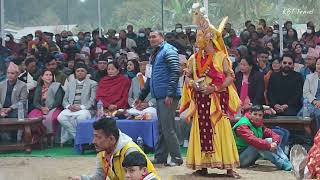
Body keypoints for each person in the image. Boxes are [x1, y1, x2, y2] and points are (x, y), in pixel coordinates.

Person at [179, 3, 240, 177]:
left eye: (202, 35)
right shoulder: (193, 58)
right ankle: (203, 166)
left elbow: (230, 77)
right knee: (201, 128)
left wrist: (214, 87)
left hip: (217, 101)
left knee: (221, 128)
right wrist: (193, 85)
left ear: (210, 37)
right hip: (200, 99)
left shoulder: (222, 57)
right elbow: (188, 77)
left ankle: (229, 167)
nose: (199, 39)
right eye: (198, 35)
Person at [137, 31, 183, 167]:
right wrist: (141, 97)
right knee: (162, 127)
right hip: (160, 95)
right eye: (150, 37)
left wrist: (170, 94)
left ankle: (177, 158)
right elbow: (150, 79)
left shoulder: (168, 50)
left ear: (161, 37)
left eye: (154, 36)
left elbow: (176, 71)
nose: (151, 39)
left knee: (168, 127)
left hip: (168, 96)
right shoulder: (154, 54)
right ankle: (160, 157)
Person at [70, 118, 158, 180]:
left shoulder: (130, 151)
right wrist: (82, 179)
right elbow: (99, 177)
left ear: (111, 139)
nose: (93, 141)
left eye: (98, 137)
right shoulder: (103, 152)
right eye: (94, 136)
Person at [233, 105, 292, 171]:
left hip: (250, 156)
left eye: (260, 115)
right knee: (258, 145)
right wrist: (269, 146)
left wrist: (274, 143)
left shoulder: (258, 124)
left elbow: (273, 134)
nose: (257, 117)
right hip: (239, 159)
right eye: (255, 114)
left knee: (270, 140)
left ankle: (286, 160)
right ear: (250, 113)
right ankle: (282, 164)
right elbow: (253, 140)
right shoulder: (242, 125)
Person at [58, 63, 97, 145]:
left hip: (84, 109)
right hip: (71, 108)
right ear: (75, 73)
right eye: (78, 71)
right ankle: (77, 136)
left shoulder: (93, 83)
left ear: (86, 72)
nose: (80, 73)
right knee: (60, 117)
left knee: (81, 118)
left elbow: (92, 100)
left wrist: (81, 107)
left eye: (82, 71)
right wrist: (69, 106)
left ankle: (77, 138)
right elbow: (65, 100)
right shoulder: (70, 84)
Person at [29, 69, 64, 143]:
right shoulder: (39, 88)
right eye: (46, 75)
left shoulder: (57, 86)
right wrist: (41, 108)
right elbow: (35, 102)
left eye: (50, 75)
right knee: (32, 116)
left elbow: (58, 101)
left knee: (50, 118)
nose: (49, 77)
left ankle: (49, 138)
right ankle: (37, 137)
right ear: (42, 77)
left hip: (54, 108)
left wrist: (48, 108)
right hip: (41, 108)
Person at [303, 57, 320, 130]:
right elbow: (306, 92)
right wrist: (314, 101)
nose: (319, 66)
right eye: (318, 64)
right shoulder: (309, 77)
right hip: (312, 102)